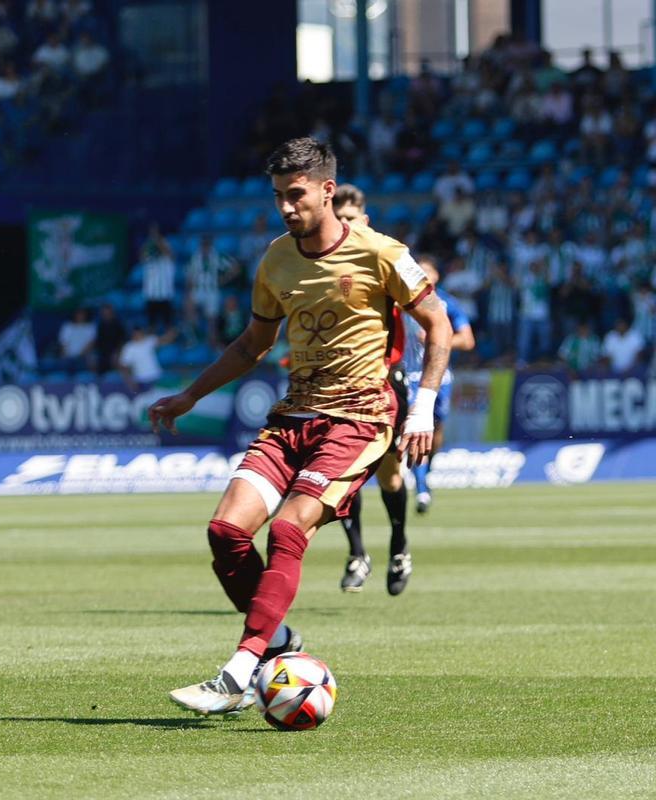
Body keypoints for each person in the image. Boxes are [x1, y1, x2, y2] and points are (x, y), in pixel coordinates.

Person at [152, 138, 452, 716]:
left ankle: (240, 672)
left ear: (327, 191)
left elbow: (436, 324)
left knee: (288, 531)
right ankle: (282, 644)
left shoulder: (382, 252)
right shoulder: (275, 260)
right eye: (278, 198)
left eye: (296, 195)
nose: (287, 208)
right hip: (293, 417)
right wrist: (191, 394)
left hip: (362, 417)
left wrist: (422, 407)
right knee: (225, 532)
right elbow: (252, 344)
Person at [329, 184, 415, 594]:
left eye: (349, 219)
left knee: (390, 476)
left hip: (384, 382)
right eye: (337, 218)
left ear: (364, 220)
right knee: (341, 477)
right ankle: (357, 553)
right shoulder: (322, 264)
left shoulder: (383, 257)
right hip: (337, 385)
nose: (342, 226)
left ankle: (399, 544)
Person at [405, 258, 477, 515]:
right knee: (416, 430)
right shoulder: (400, 298)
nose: (424, 274)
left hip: (440, 377)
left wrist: (440, 339)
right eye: (419, 270)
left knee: (436, 434)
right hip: (410, 377)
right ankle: (422, 488)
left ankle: (426, 472)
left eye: (428, 270)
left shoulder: (447, 303)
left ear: (436, 275)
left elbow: (467, 340)